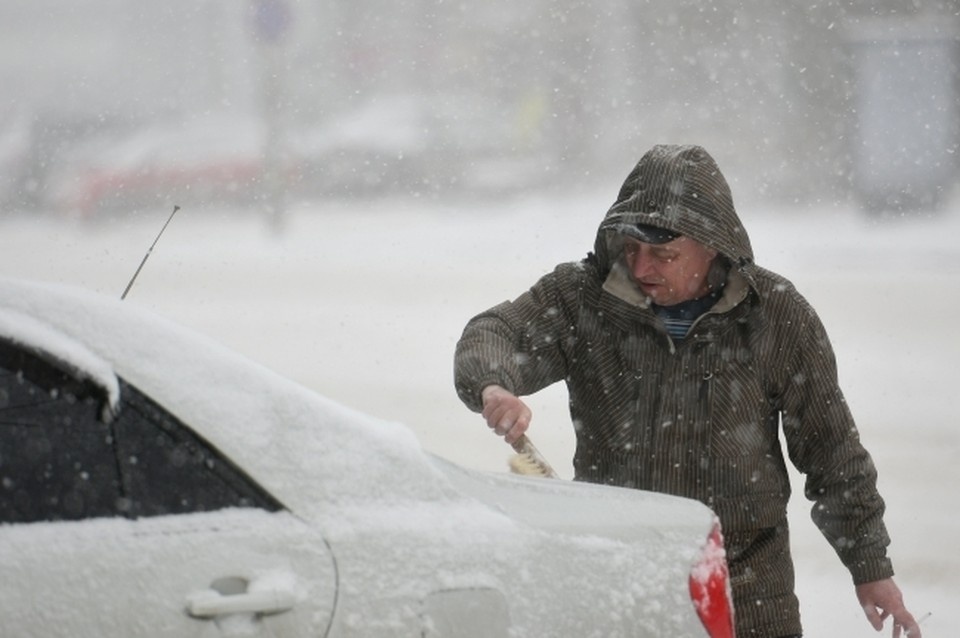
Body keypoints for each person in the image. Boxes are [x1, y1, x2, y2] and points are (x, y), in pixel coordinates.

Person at [453, 144, 921, 637]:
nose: (640, 268)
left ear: (712, 244)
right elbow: (493, 331)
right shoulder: (583, 299)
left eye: (663, 254)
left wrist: (870, 567)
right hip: (619, 584)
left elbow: (832, 453)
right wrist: (492, 385)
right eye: (631, 248)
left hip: (749, 594)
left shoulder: (776, 315)